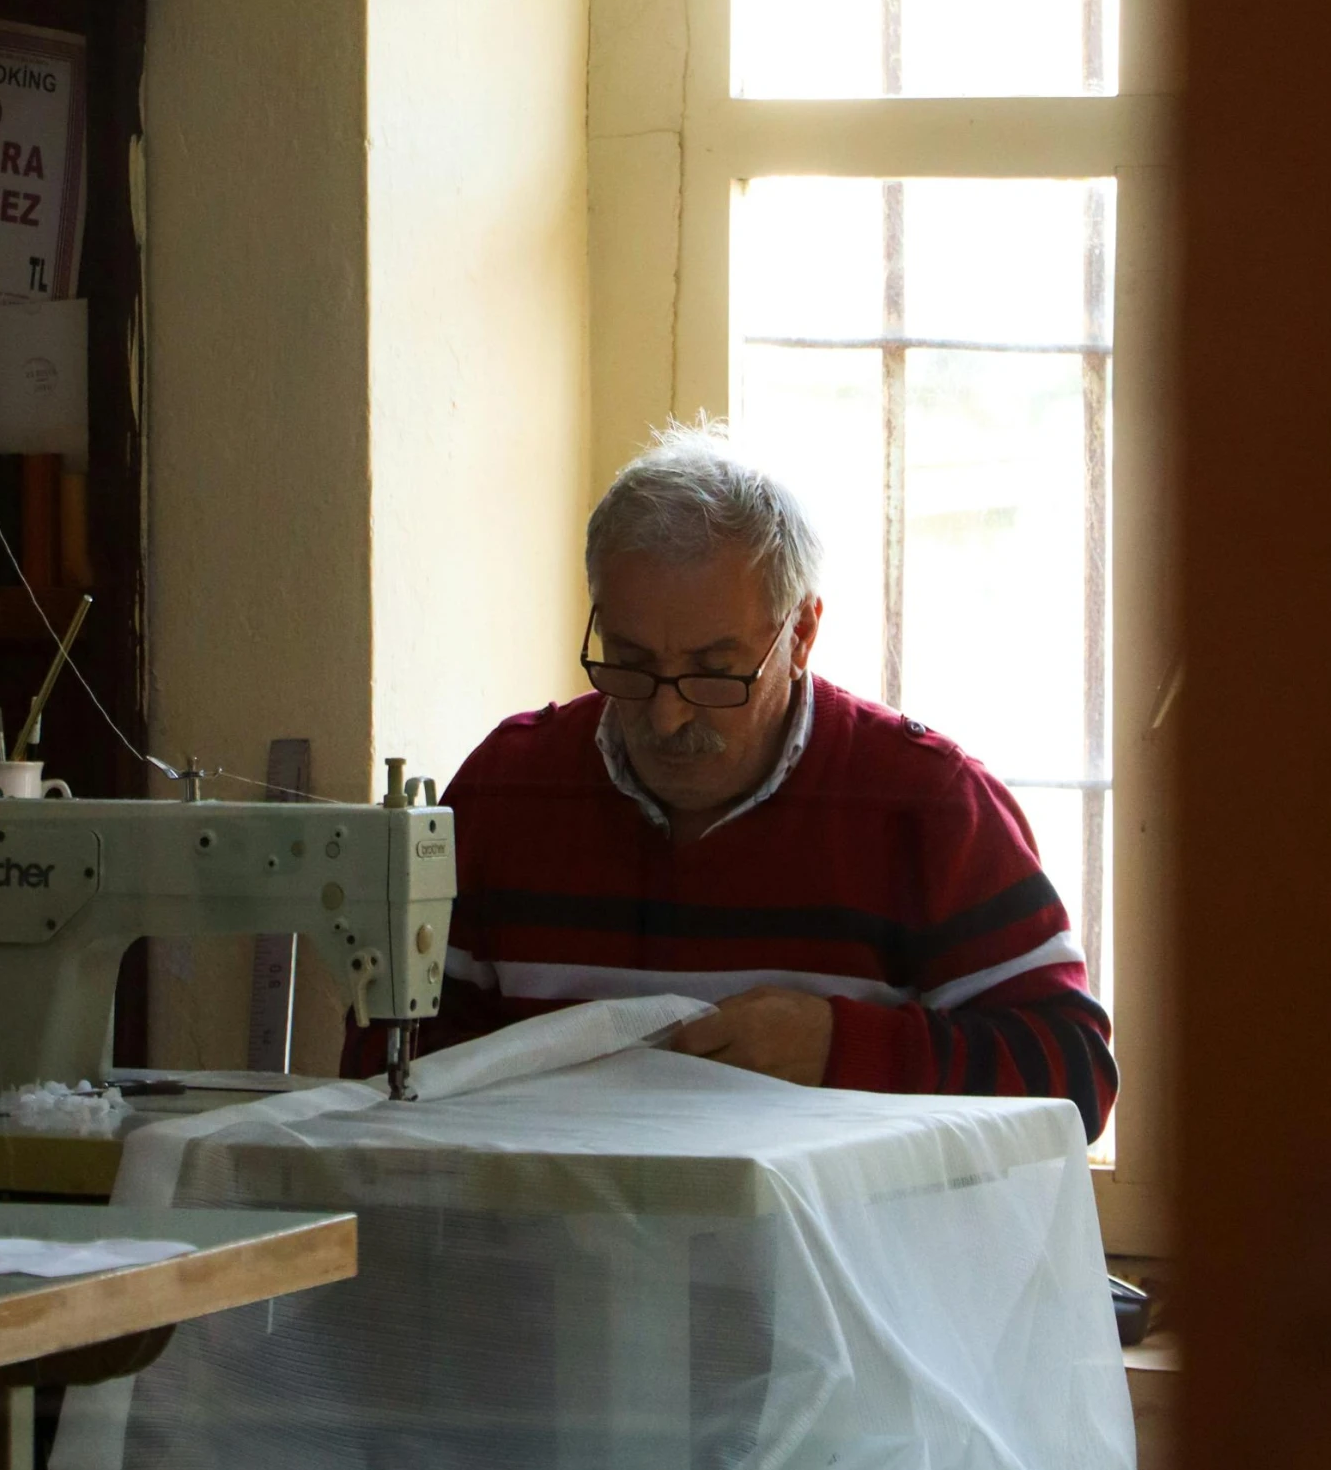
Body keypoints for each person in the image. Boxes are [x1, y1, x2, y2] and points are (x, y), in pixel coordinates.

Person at [347, 425, 1117, 1138]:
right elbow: (383, 1070)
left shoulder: (922, 806)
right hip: (552, 1267)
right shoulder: (511, 790)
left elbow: (1076, 1080)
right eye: (632, 662)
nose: (669, 716)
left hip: (825, 1278)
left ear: (801, 634)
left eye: (716, 673)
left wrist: (839, 1048)